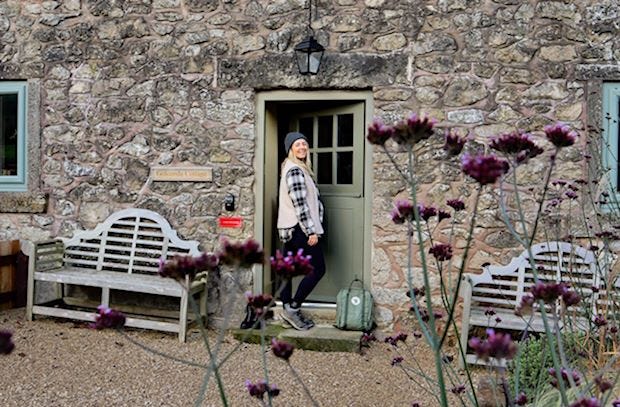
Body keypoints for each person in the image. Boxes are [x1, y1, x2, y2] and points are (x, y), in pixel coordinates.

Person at [276, 131, 326, 330]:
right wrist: (311, 231)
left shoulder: (295, 168)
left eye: (304, 144)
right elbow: (300, 204)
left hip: (292, 228)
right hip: (299, 229)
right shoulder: (295, 170)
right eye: (297, 144)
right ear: (290, 149)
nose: (302, 147)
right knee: (318, 269)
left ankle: (287, 307)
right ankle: (293, 308)